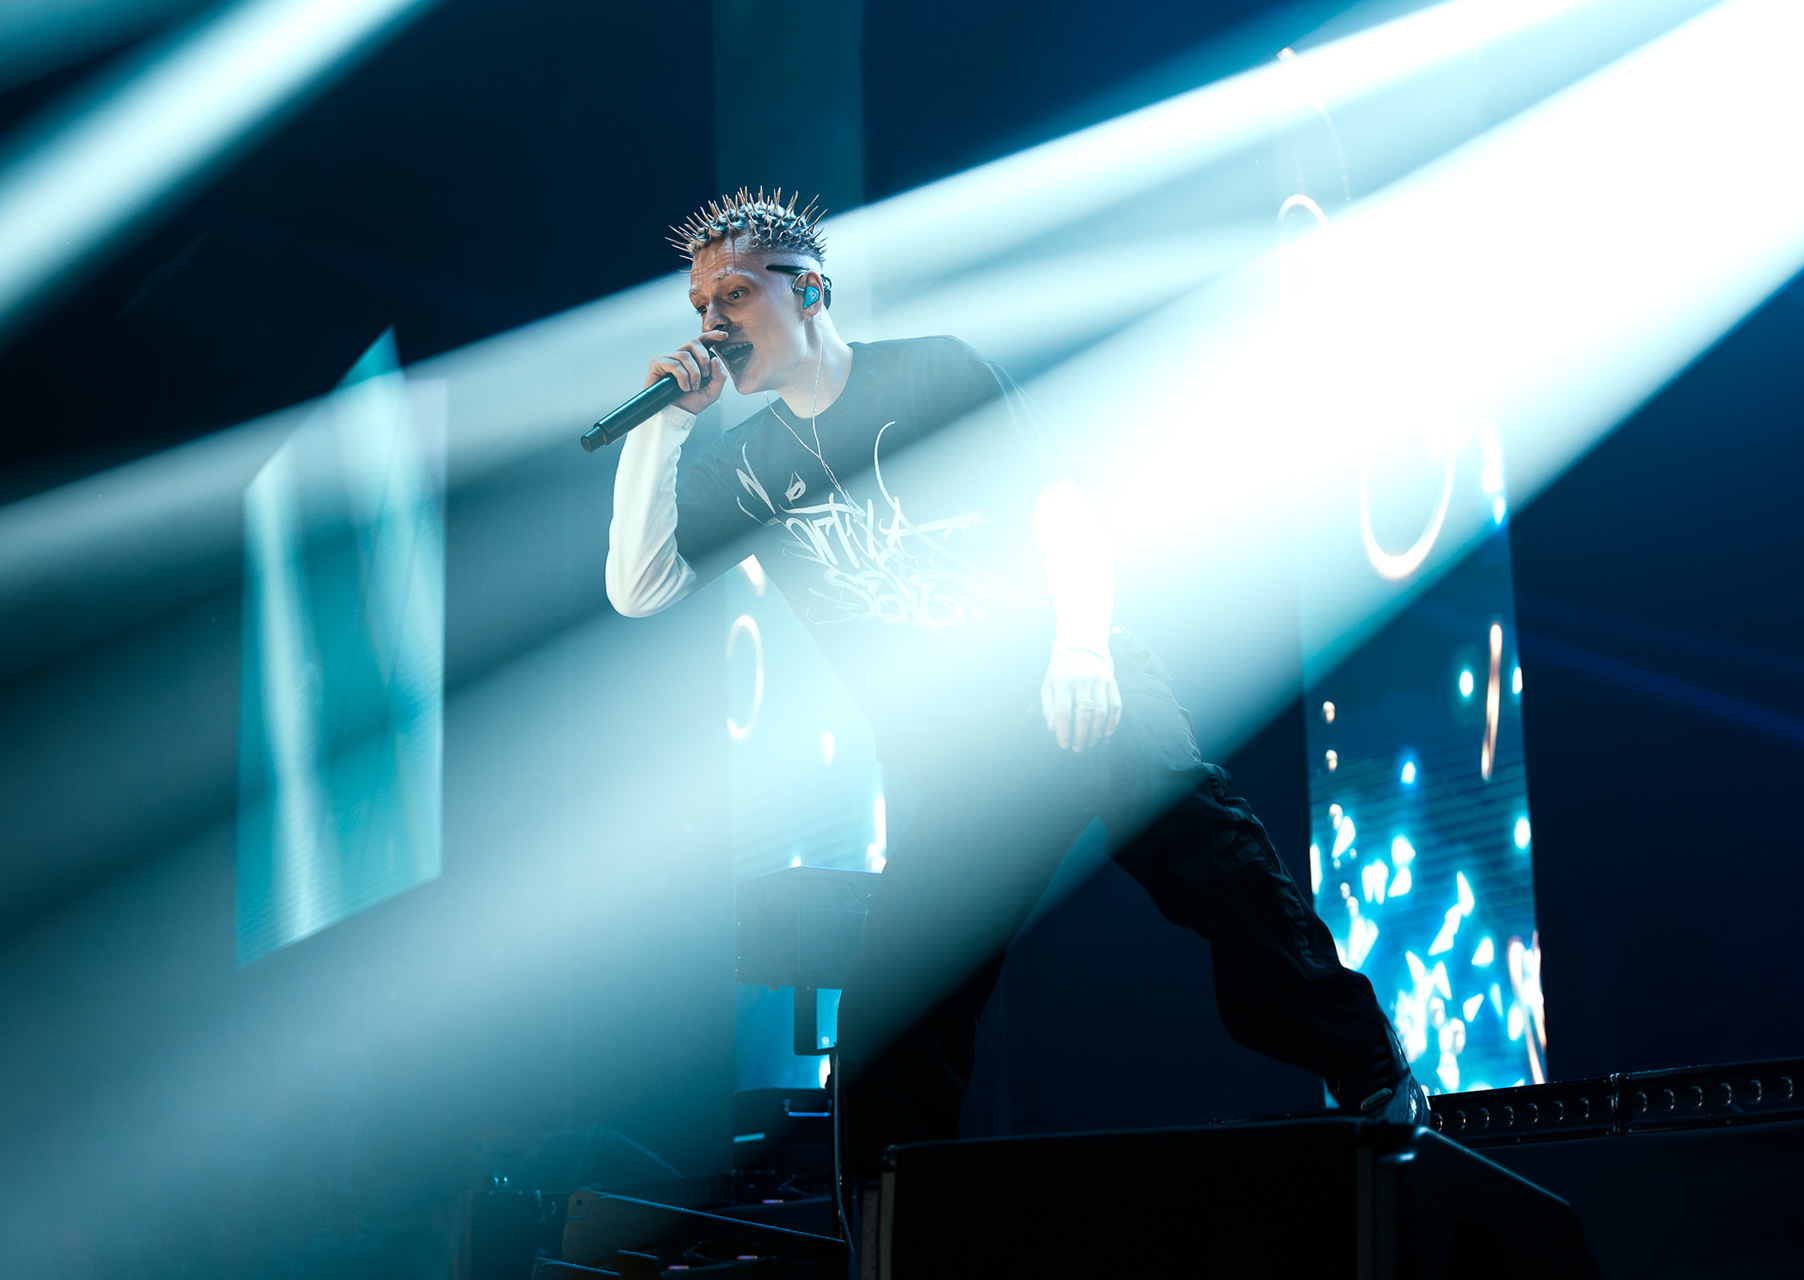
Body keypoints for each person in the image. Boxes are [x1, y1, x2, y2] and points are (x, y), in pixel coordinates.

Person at [603, 189, 1424, 1216]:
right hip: (963, 764)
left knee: (1205, 848)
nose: (712, 321)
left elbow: (1059, 504)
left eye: (733, 294)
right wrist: (659, 432)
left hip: (1068, 679)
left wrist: (1080, 643)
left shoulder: (930, 373)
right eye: (699, 304)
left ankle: (1375, 1073)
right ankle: (887, 1230)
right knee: (897, 1008)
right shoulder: (745, 465)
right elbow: (640, 586)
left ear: (808, 292)